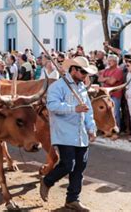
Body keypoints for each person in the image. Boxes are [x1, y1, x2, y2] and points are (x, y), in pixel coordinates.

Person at [39, 56, 97, 211]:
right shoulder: (58, 86)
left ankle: (73, 199)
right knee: (68, 165)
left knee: (80, 167)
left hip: (81, 134)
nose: (85, 75)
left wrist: (91, 128)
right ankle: (47, 181)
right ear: (73, 69)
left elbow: (88, 111)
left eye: (86, 72)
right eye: (82, 71)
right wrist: (74, 108)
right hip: (64, 133)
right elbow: (52, 106)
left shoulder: (82, 88)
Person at [98, 54, 124, 129]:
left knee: (115, 113)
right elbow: (99, 79)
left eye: (111, 61)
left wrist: (105, 79)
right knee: (106, 113)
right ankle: (108, 129)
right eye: (108, 60)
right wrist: (108, 78)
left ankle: (116, 129)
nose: (108, 62)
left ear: (116, 62)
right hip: (106, 95)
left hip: (115, 94)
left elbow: (112, 82)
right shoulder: (106, 70)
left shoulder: (118, 71)